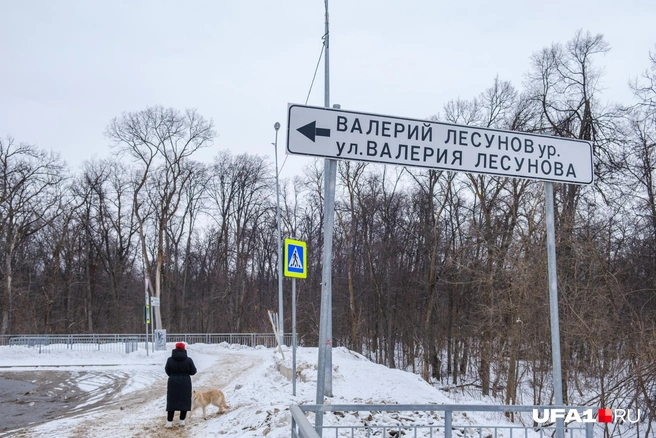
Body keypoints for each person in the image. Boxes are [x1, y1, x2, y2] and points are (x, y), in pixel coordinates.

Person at [165, 342, 197, 427]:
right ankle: (182, 421)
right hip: (185, 382)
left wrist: (173, 375)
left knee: (172, 401)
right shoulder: (189, 360)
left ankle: (169, 422)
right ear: (184, 349)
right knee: (184, 401)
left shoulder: (170, 359)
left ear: (175, 348)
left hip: (173, 382)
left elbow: (167, 370)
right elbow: (193, 371)